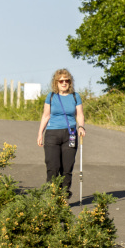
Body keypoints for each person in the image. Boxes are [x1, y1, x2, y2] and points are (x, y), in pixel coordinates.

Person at [37, 69, 86, 199]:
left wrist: (81, 127)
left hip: (70, 134)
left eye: (67, 81)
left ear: (70, 82)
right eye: (61, 81)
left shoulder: (75, 96)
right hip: (52, 133)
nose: (64, 83)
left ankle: (63, 195)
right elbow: (46, 116)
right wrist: (40, 133)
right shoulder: (51, 96)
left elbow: (80, 114)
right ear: (56, 82)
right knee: (52, 166)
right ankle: (51, 196)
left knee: (67, 167)